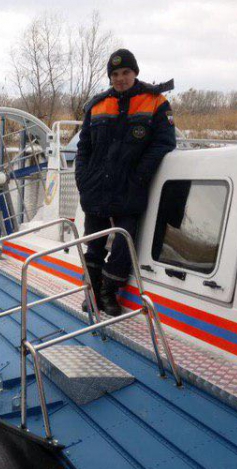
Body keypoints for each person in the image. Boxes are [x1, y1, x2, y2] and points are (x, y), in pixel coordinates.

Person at [74, 48, 176, 316]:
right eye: (115, 74)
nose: (120, 78)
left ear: (135, 73)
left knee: (124, 244)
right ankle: (92, 295)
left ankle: (109, 292)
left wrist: (140, 175)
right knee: (93, 246)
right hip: (96, 189)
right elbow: (83, 148)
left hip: (129, 189)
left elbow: (164, 142)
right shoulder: (96, 105)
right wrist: (82, 179)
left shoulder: (155, 102)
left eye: (126, 73)